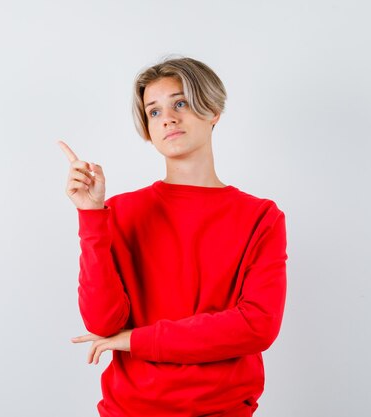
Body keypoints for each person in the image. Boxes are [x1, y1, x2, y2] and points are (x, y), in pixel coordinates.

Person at [58, 56, 288, 417]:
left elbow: (256, 326)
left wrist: (136, 341)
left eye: (180, 103)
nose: (167, 118)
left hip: (222, 410)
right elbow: (103, 323)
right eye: (153, 111)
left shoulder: (260, 217)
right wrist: (90, 216)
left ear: (213, 110)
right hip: (129, 409)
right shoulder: (119, 212)